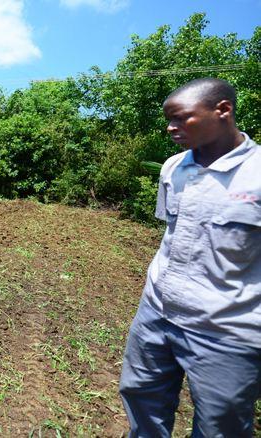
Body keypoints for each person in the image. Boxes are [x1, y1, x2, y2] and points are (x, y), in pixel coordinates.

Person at [119, 78, 261, 437]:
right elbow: (170, 235)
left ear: (223, 111)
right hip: (156, 312)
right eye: (169, 120)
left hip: (227, 329)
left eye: (181, 118)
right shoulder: (173, 168)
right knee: (140, 400)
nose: (171, 127)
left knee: (220, 427)